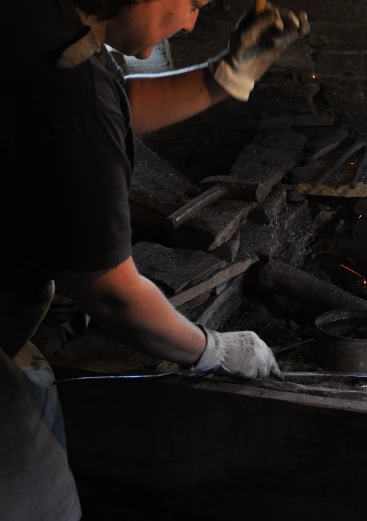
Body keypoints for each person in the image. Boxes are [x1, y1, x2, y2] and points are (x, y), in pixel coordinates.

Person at [0, 0, 309, 519]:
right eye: (191, 4)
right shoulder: (70, 82)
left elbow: (112, 108)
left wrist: (226, 75)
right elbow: (113, 295)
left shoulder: (49, 23)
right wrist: (215, 349)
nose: (191, 22)